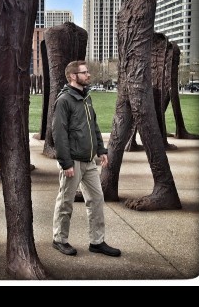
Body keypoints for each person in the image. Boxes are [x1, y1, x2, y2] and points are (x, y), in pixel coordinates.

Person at [51, 60, 121, 257]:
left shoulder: (86, 97)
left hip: (89, 161)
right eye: (84, 72)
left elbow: (94, 127)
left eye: (87, 72)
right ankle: (59, 239)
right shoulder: (64, 100)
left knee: (97, 200)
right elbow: (59, 134)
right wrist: (66, 163)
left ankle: (97, 242)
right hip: (72, 161)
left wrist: (102, 150)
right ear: (73, 76)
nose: (88, 75)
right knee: (65, 202)